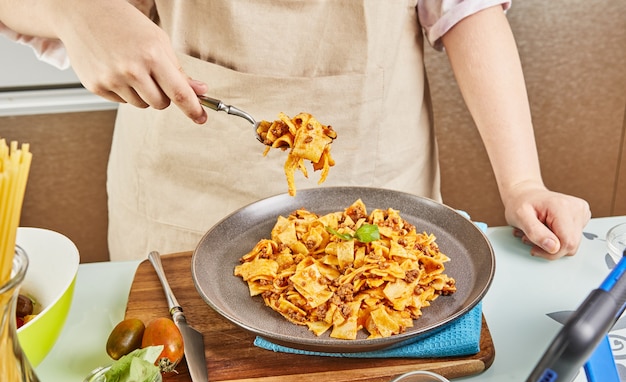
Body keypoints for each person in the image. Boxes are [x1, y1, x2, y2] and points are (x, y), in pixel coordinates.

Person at [0, 0, 590, 261]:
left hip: (375, 184)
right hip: (178, 202)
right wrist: (74, 10)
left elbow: (469, 11)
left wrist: (522, 182)